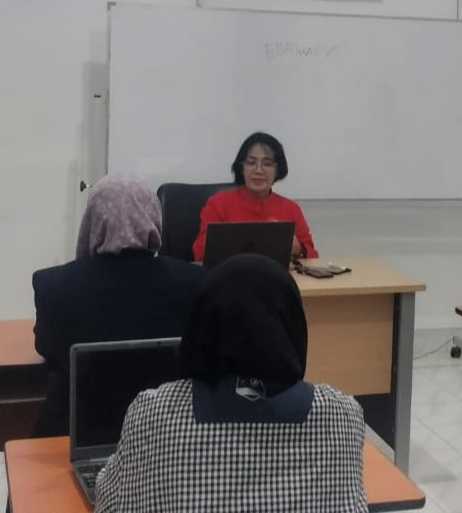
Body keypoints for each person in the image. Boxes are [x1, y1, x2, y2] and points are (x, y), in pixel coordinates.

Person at [94, 254, 368, 512]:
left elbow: (109, 503)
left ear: (201, 324)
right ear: (293, 325)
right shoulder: (342, 415)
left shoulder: (153, 413)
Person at [31, 174, 206, 436]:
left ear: (93, 220)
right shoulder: (196, 281)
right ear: (152, 217)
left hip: (79, 436)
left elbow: (47, 347)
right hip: (168, 434)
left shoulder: (54, 284)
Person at [191, 132, 317, 262]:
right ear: (241, 168)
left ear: (277, 171)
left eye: (267, 164)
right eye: (251, 163)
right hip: (230, 273)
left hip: (275, 274)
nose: (258, 170)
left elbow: (312, 254)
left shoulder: (291, 209)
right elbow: (200, 253)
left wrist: (298, 249)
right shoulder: (217, 204)